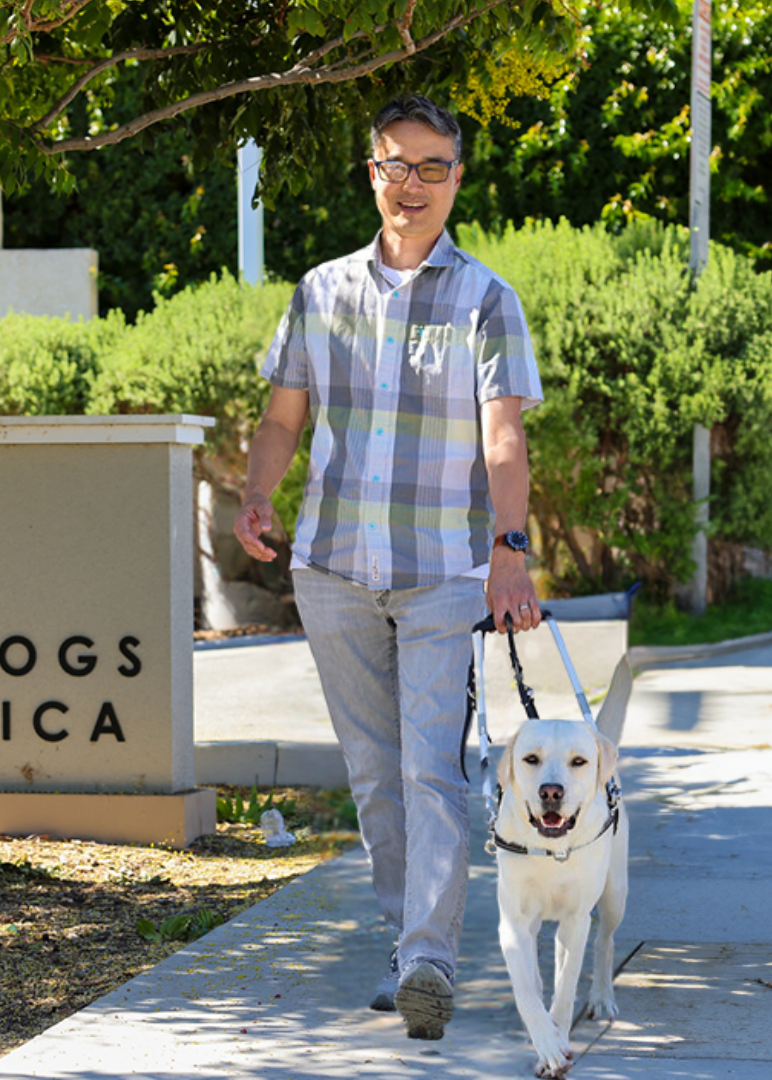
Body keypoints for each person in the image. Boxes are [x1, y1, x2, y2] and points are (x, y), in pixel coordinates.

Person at [233, 94, 543, 1040]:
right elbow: (284, 418)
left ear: (457, 178)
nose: (412, 185)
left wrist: (511, 550)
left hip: (445, 572)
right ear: (371, 173)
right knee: (374, 776)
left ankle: (429, 963)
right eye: (395, 166)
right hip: (331, 568)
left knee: (432, 774)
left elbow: (503, 439)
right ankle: (405, 947)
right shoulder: (320, 292)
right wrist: (257, 494)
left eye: (432, 167)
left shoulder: (488, 299)